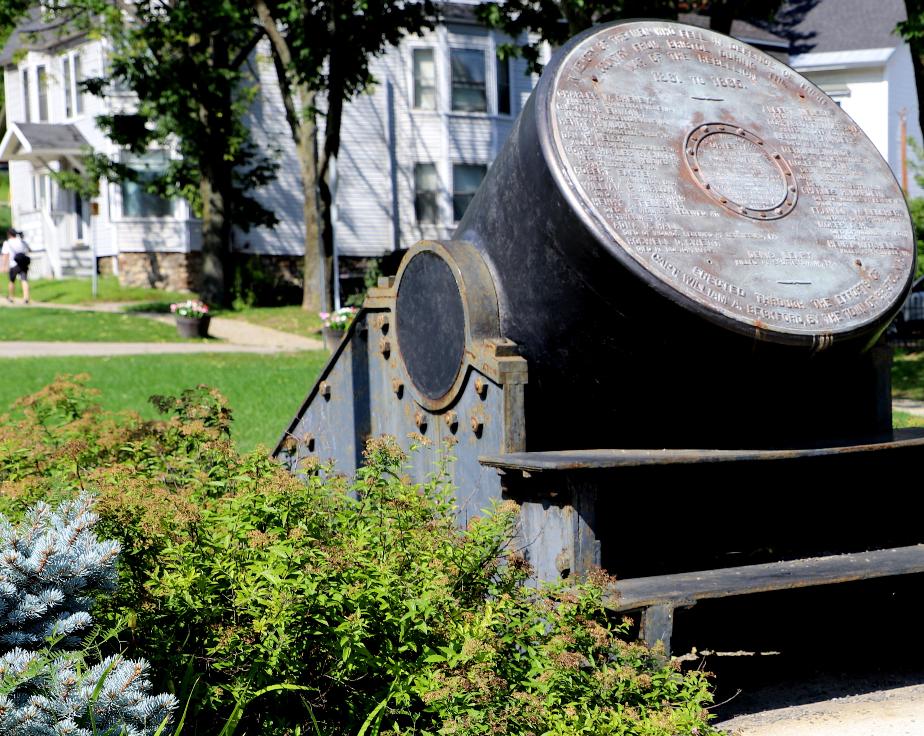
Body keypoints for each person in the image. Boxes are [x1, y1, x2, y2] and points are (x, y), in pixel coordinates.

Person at [1, 228, 30, 304]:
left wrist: (4, 266)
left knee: (12, 281)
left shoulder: (7, 243)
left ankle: (11, 297)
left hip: (13, 264)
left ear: (9, 234)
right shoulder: (21, 241)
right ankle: (26, 298)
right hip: (23, 263)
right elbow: (29, 249)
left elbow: (5, 255)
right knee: (24, 280)